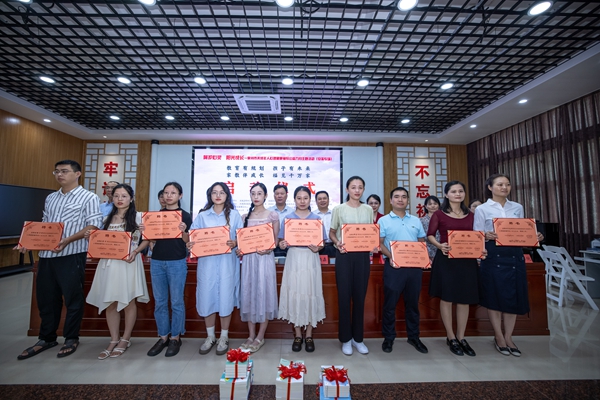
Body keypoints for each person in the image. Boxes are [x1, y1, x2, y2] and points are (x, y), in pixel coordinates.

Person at [16, 160, 103, 360]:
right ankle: (46, 338)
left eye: (64, 171)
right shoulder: (51, 197)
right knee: (46, 298)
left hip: (71, 254)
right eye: (56, 171)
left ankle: (71, 338)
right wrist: (28, 241)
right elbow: (44, 224)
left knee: (72, 298)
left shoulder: (88, 197)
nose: (59, 175)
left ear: (77, 174)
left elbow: (93, 225)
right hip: (47, 255)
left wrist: (67, 240)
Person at [474, 174, 544, 357]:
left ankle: (509, 337)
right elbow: (477, 234)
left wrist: (534, 236)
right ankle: (499, 337)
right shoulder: (482, 209)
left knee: (513, 296)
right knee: (494, 297)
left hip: (514, 256)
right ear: (490, 187)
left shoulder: (517, 207)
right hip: (493, 256)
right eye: (499, 184)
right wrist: (485, 236)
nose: (504, 187)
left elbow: (521, 232)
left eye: (507, 184)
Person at [85, 183, 150, 359]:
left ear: (131, 198)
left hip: (129, 263)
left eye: (124, 196)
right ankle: (114, 338)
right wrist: (91, 239)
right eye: (116, 196)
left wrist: (136, 251)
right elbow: (100, 242)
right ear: (111, 198)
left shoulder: (139, 217)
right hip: (108, 263)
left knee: (128, 301)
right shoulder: (106, 218)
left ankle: (125, 339)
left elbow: (148, 239)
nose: (120, 199)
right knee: (110, 301)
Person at [187, 182, 242, 356]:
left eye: (222, 192)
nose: (218, 196)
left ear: (227, 195)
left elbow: (242, 238)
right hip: (207, 264)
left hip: (227, 264)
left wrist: (235, 242)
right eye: (214, 192)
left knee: (226, 298)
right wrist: (190, 243)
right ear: (210, 195)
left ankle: (224, 337)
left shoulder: (234, 215)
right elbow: (192, 237)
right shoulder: (202, 216)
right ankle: (210, 336)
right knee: (207, 298)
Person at [427, 181, 480, 357]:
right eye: (454, 191)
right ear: (446, 194)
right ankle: (451, 337)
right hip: (446, 260)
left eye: (461, 191)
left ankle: (461, 337)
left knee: (464, 298)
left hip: (467, 261)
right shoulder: (439, 214)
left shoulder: (472, 215)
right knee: (447, 298)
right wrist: (439, 245)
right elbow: (430, 235)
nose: (458, 194)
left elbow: (478, 235)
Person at [378, 187, 429, 354]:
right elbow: (379, 243)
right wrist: (392, 257)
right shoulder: (383, 220)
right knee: (390, 305)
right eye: (397, 197)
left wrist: (423, 258)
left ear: (408, 200)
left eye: (404, 197)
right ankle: (389, 337)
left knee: (413, 304)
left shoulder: (415, 220)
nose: (400, 200)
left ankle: (414, 337)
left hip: (414, 268)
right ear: (391, 200)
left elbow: (421, 242)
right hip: (394, 267)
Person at [145, 182, 192, 358]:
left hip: (177, 262)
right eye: (166, 192)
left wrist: (184, 231)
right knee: (160, 301)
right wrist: (145, 231)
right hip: (157, 261)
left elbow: (188, 242)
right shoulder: (156, 216)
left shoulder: (185, 216)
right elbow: (151, 240)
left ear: (180, 195)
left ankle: (175, 337)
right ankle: (163, 336)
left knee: (177, 301)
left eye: (173, 192)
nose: (169, 195)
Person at [329, 176, 374, 355]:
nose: (357, 190)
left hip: (362, 257)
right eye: (353, 187)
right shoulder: (338, 209)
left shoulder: (368, 209)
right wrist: (337, 242)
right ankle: (346, 339)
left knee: (360, 297)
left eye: (360, 187)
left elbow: (370, 232)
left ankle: (358, 339)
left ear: (363, 190)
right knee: (344, 297)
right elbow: (332, 232)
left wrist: (373, 244)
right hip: (344, 256)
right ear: (347, 189)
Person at [277, 186, 326, 353]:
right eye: (299, 198)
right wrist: (282, 244)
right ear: (294, 200)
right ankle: (298, 335)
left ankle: (309, 335)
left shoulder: (316, 219)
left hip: (310, 258)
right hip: (294, 258)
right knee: (295, 293)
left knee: (311, 292)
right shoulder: (288, 219)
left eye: (305, 198)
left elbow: (322, 244)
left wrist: (318, 247)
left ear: (310, 200)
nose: (302, 201)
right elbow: (281, 242)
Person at [237, 183, 279, 353]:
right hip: (248, 261)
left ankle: (260, 336)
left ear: (265, 195)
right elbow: (241, 240)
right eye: (253, 193)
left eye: (259, 193)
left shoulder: (272, 215)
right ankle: (250, 335)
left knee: (264, 294)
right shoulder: (244, 216)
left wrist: (268, 249)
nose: (256, 197)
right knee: (249, 294)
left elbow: (275, 241)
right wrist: (240, 248)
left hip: (265, 259)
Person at [270, 184, 291, 258]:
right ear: (274, 196)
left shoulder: (293, 212)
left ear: (286, 195)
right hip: (271, 248)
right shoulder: (268, 212)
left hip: (289, 247)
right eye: (277, 194)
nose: (279, 196)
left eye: (282, 193)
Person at [420, 195, 441, 263]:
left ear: (439, 205)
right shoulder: (421, 221)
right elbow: (421, 239)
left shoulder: (444, 219)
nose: (433, 206)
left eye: (435, 204)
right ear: (426, 206)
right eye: (430, 204)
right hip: (427, 251)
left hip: (442, 250)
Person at [315, 190, 335, 258]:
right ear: (316, 201)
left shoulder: (334, 214)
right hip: (317, 248)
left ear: (328, 200)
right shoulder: (312, 215)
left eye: (324, 198)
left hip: (333, 247)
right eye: (319, 199)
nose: (322, 200)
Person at [367, 194, 384, 263]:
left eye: (376, 203)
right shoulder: (363, 218)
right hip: (366, 249)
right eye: (371, 203)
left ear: (379, 204)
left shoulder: (384, 218)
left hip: (381, 250)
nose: (373, 205)